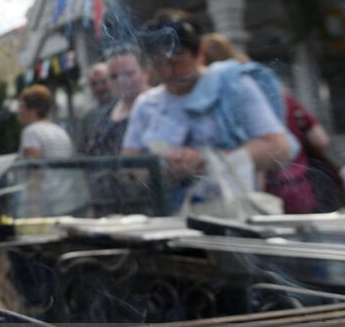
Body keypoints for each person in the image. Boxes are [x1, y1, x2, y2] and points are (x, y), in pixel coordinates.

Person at [122, 11, 294, 212]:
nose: (168, 72)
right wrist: (162, 169)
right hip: (169, 219)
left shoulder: (233, 86)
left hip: (233, 213)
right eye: (158, 63)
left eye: (177, 61)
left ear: (200, 53)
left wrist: (209, 162)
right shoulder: (147, 104)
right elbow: (129, 166)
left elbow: (279, 148)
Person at [199, 32, 319, 214]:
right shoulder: (279, 94)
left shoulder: (231, 95)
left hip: (271, 191)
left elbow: (268, 150)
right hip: (299, 184)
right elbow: (320, 139)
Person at [17, 83, 87, 215]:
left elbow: (34, 173)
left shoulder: (31, 132)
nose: (19, 112)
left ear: (32, 109)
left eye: (21, 107)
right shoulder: (60, 131)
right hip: (67, 202)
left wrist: (32, 208)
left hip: (46, 205)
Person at [83, 46, 147, 157]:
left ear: (146, 72)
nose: (121, 81)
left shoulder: (159, 108)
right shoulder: (107, 113)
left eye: (128, 74)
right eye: (114, 76)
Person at [75, 63, 113, 151]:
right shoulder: (88, 115)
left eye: (103, 81)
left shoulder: (125, 106)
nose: (99, 87)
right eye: (94, 84)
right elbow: (81, 149)